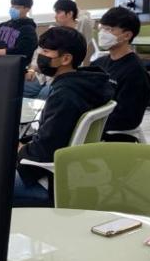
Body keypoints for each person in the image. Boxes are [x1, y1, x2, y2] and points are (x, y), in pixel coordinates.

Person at [14, 27, 113, 207]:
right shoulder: (85, 84)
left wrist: (20, 148)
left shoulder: (65, 96)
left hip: (47, 180)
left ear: (66, 59)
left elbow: (45, 151)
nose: (40, 56)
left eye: (46, 51)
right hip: (69, 173)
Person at [92, 6, 150, 138]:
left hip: (112, 132)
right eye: (102, 28)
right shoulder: (98, 64)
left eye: (109, 29)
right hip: (94, 123)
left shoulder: (135, 72)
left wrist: (89, 120)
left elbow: (128, 118)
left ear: (127, 35)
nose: (102, 33)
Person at [22, 0, 95, 98]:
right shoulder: (53, 30)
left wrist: (72, 8)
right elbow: (38, 52)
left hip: (62, 75)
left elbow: (86, 16)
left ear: (69, 14)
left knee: (44, 95)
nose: (55, 16)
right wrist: (32, 69)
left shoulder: (81, 27)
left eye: (58, 12)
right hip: (43, 74)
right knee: (21, 88)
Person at [0, 0, 38, 66]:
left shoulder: (28, 29)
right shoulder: (2, 25)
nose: (13, 9)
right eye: (12, 6)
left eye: (17, 7)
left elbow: (21, 51)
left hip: (14, 67)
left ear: (27, 9)